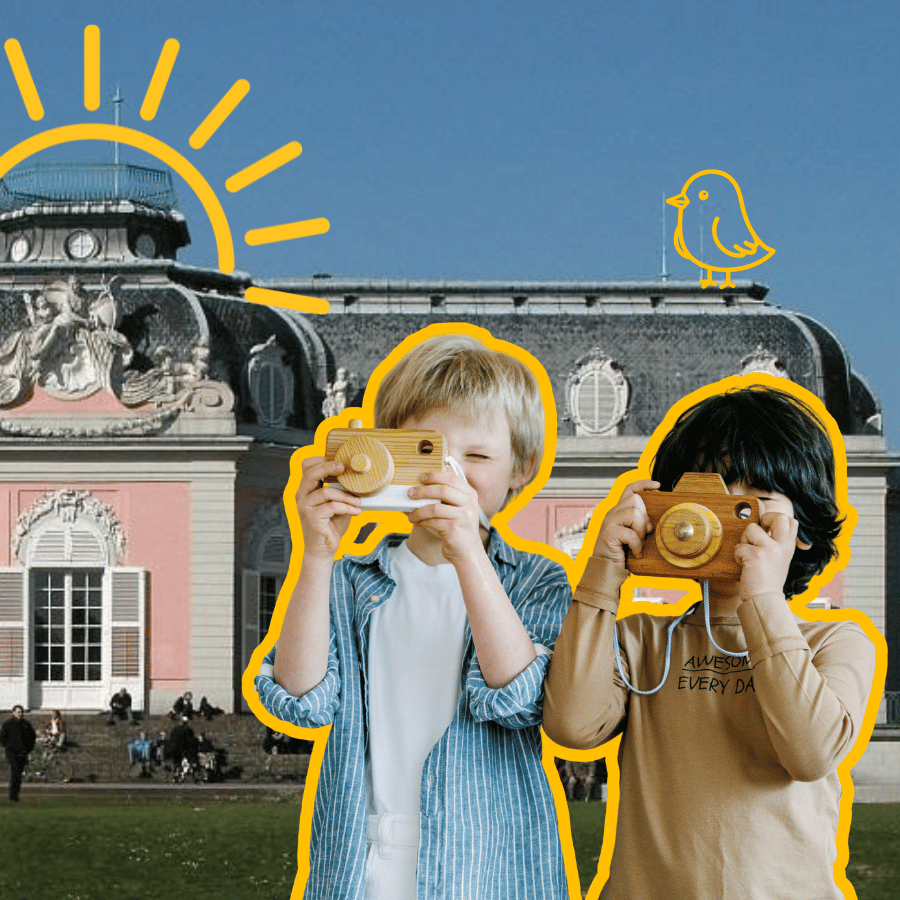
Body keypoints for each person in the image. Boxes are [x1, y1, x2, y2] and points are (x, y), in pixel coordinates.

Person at [254, 330, 571, 900]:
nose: (448, 474)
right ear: (384, 453)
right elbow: (299, 700)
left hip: (490, 863)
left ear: (520, 470)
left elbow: (522, 698)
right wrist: (318, 552)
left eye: (475, 457)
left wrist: (469, 551)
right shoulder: (351, 581)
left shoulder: (536, 581)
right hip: (363, 858)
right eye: (427, 452)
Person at [543, 382, 878, 900]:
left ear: (802, 529)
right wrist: (604, 571)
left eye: (752, 506)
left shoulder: (837, 640)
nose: (726, 522)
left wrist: (761, 597)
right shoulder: (642, 640)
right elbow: (573, 726)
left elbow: (810, 754)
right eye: (708, 499)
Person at [0, 704, 36, 803]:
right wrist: (7, 746)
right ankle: (13, 796)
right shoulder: (8, 724)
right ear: (13, 713)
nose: (20, 714)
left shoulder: (26, 725)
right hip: (12, 752)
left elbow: (32, 737)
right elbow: (2, 738)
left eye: (21, 712)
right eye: (18, 712)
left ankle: (16, 795)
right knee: (15, 772)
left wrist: (29, 748)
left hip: (23, 753)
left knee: (18, 775)